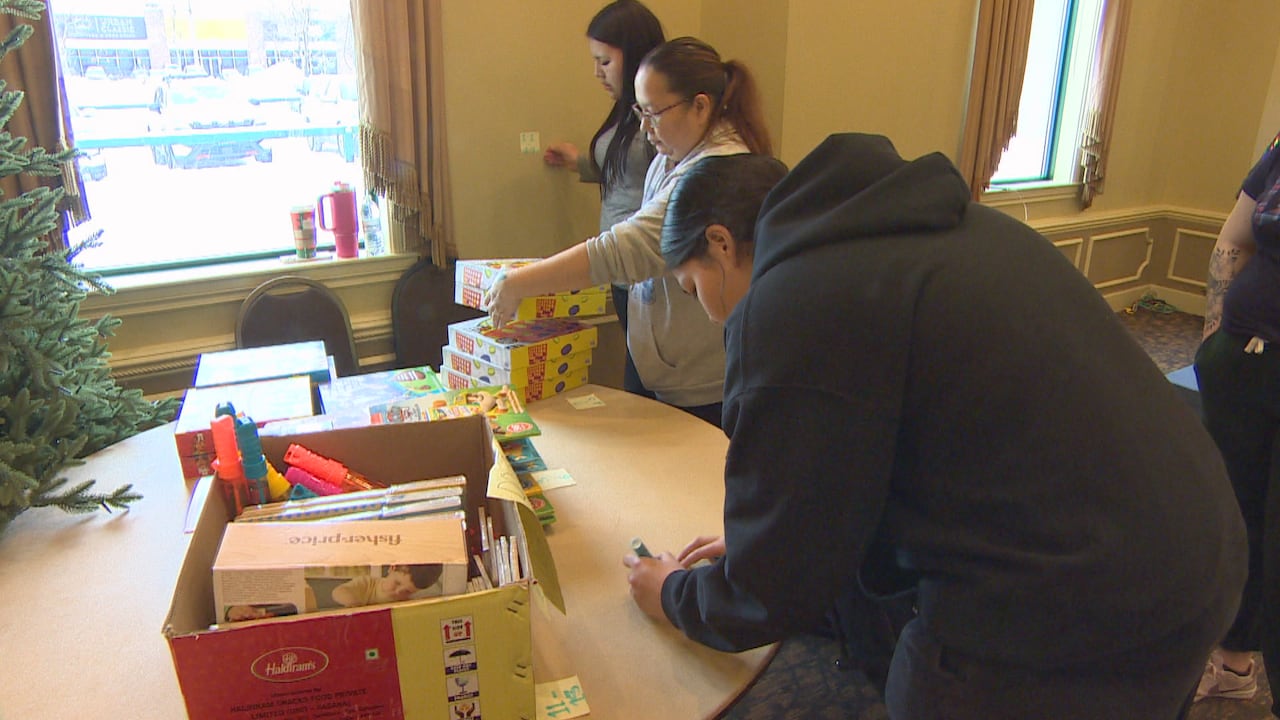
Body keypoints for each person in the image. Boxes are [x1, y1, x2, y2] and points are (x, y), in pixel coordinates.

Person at [623, 138, 1248, 719]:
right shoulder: (944, 229)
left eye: (691, 285)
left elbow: (767, 597)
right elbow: (866, 462)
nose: (705, 311)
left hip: (1072, 602)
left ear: (722, 243)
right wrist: (784, 539)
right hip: (1194, 550)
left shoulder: (793, 302)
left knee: (929, 687)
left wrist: (675, 593)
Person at [484, 36, 772, 427]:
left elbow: (624, 249)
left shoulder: (712, 171)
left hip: (698, 383)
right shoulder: (671, 155)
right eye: (640, 111)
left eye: (654, 113)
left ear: (700, 106)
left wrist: (520, 282)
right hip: (665, 367)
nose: (645, 127)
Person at [1192, 130, 1280, 712]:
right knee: (1235, 508)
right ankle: (1233, 659)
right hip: (1242, 358)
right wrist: (1214, 340)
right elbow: (1234, 237)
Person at [542, 0, 664, 396]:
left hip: (645, 270)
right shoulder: (624, 113)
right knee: (636, 367)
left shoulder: (656, 118)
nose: (597, 73)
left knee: (644, 377)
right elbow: (621, 169)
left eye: (604, 62)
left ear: (633, 55)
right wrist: (577, 160)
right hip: (619, 271)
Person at [331, 564, 444, 608]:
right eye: (397, 583)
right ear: (392, 568)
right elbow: (338, 591)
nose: (398, 592)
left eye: (408, 591)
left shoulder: (405, 604)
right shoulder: (368, 584)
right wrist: (354, 603)